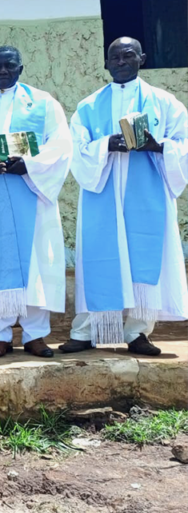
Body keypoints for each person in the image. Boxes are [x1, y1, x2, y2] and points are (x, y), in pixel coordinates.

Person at [62, 37, 187, 355]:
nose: (120, 61)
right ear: (106, 63)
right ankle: (86, 330)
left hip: (147, 196)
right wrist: (107, 145)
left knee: (140, 261)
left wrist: (157, 145)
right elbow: (76, 150)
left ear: (141, 59)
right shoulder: (88, 106)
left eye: (127, 55)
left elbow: (183, 142)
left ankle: (137, 332)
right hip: (102, 192)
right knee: (100, 259)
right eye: (114, 57)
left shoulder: (164, 102)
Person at [0, 46, 72, 358]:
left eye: (10, 65)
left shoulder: (44, 103)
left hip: (31, 196)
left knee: (36, 265)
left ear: (21, 68)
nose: (3, 71)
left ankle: (36, 335)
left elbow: (61, 145)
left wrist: (29, 166)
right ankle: (0, 334)